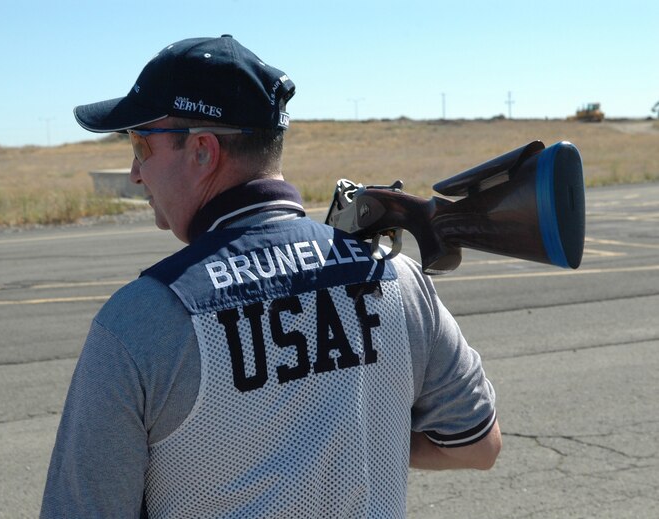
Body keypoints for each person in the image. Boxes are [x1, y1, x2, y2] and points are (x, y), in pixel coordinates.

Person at [41, 35, 501, 518]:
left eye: (140, 143)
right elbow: (477, 445)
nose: (135, 172)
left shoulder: (139, 322)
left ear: (202, 151)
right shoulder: (399, 281)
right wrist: (355, 441)